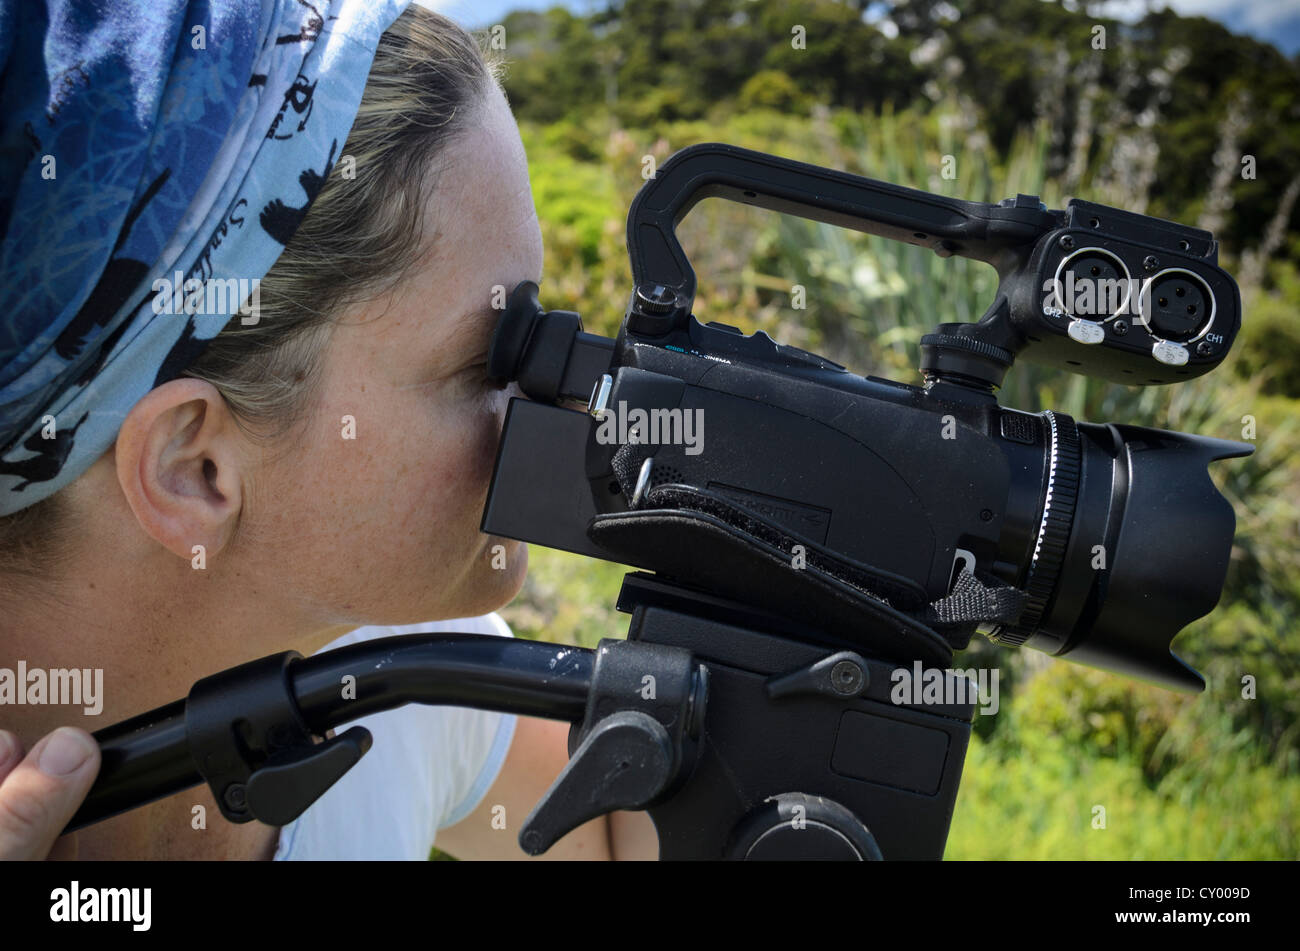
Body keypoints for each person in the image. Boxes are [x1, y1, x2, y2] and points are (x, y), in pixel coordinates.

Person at [0, 0, 659, 860]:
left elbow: (610, 838)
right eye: (488, 363)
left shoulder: (390, 672)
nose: (559, 412)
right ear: (193, 466)